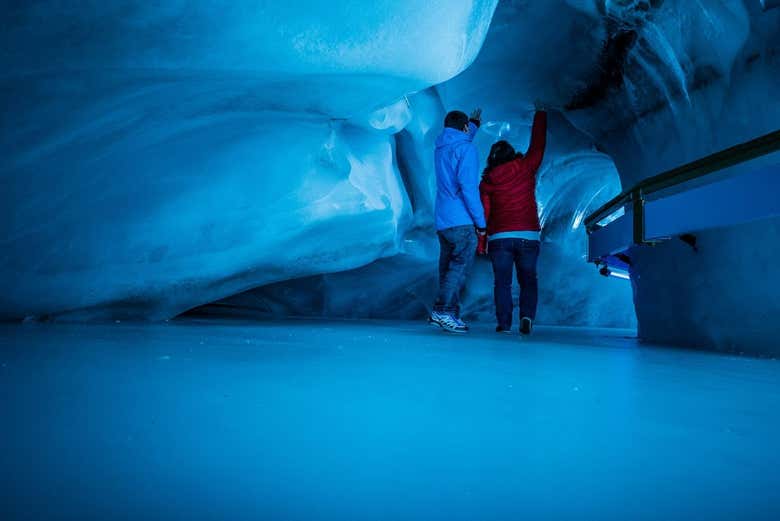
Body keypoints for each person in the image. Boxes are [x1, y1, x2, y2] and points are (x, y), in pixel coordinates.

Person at [478, 102, 547, 335]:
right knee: (529, 280)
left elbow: (484, 213)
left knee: (502, 283)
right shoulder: (526, 167)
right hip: (528, 235)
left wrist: (482, 239)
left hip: (499, 238)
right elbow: (538, 147)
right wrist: (541, 114)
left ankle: (504, 324)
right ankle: (526, 316)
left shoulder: (487, 182)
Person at [429, 108, 487, 333]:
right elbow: (468, 188)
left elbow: (458, 142)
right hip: (462, 221)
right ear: (462, 129)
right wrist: (481, 224)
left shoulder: (441, 148)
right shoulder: (466, 149)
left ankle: (449, 314)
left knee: (447, 270)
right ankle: (442, 311)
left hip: (443, 221)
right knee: (458, 270)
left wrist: (472, 125)